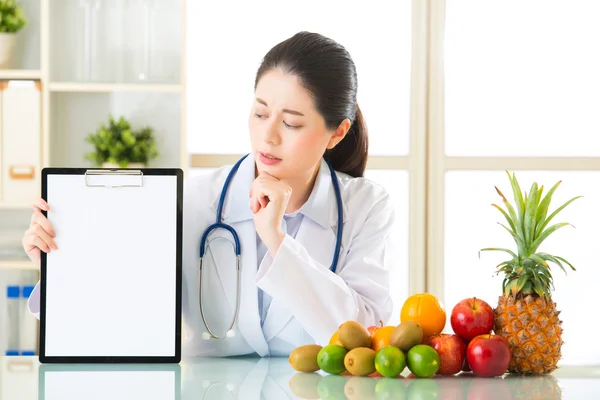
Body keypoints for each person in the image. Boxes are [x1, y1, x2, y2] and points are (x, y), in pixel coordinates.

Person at [22, 31, 396, 357]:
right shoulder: (195, 199)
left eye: (291, 123)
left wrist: (277, 240)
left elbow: (365, 339)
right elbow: (126, 314)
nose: (268, 137)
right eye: (260, 113)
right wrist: (59, 269)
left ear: (337, 133)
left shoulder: (365, 206)